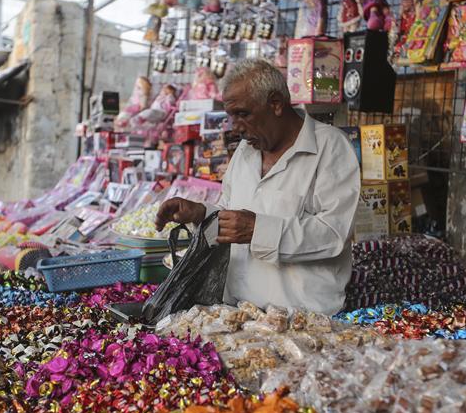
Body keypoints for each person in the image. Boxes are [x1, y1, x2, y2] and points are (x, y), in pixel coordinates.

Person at [155, 59, 361, 315]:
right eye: (232, 116)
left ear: (275, 104)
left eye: (243, 114)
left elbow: (333, 235)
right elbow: (231, 214)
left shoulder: (330, 148)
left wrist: (258, 230)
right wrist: (201, 214)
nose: (236, 127)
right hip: (239, 313)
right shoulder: (246, 150)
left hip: (303, 320)